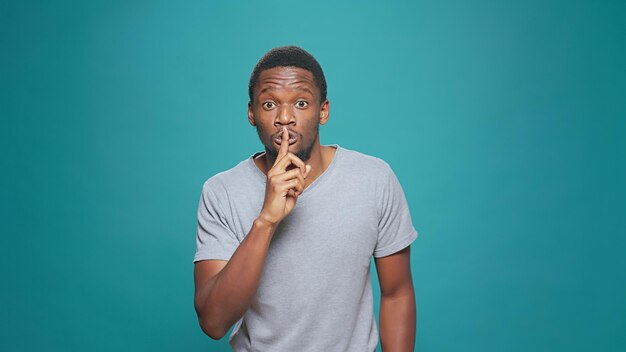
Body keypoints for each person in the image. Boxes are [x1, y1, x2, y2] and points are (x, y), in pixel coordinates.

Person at [193, 46, 418, 351]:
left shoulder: (374, 179)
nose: (285, 118)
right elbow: (213, 322)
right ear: (251, 114)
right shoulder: (221, 192)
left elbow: (397, 293)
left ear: (322, 111)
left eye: (301, 103)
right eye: (269, 104)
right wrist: (265, 221)